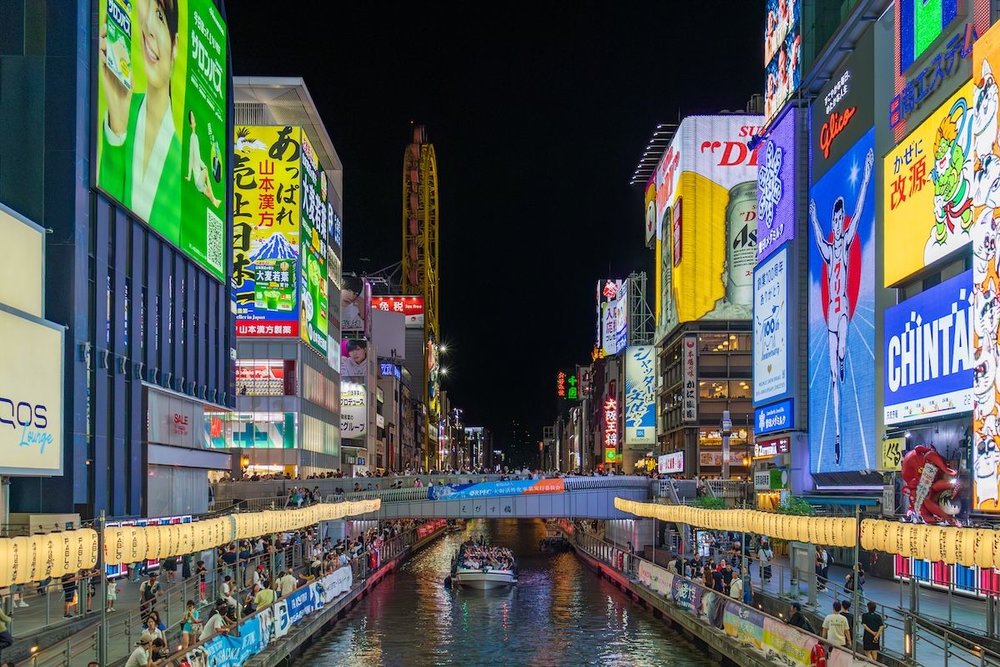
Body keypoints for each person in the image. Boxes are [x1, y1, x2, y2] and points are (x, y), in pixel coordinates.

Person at [809, 146, 874, 465]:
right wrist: (811, 217)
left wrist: (865, 179)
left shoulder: (846, 242)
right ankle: (836, 436)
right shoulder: (828, 247)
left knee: (844, 347)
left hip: (843, 309)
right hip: (830, 318)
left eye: (838, 216)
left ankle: (845, 357)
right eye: (834, 217)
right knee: (833, 378)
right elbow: (818, 237)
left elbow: (860, 212)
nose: (837, 221)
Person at [97, 0, 183, 239]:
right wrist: (118, 123)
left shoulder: (183, 163)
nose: (149, 29)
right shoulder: (123, 108)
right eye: (145, 15)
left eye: (159, 16)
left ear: (175, 45)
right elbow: (103, 224)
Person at [184, 111, 221, 206]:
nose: (194, 120)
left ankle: (214, 201)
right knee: (205, 171)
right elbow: (191, 158)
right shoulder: (192, 138)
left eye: (194, 118)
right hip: (198, 181)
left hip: (199, 181)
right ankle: (214, 198)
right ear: (190, 124)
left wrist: (203, 164)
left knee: (209, 195)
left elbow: (198, 157)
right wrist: (189, 175)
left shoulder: (195, 137)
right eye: (192, 119)